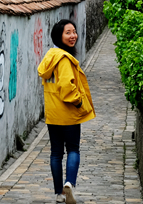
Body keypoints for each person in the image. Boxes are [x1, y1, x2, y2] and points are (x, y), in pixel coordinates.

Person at [37, 19, 95, 204]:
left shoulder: (50, 57)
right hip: (68, 113)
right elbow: (66, 86)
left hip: (53, 114)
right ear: (59, 36)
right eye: (68, 32)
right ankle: (68, 183)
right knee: (73, 150)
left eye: (74, 32)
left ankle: (58, 194)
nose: (73, 36)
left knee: (55, 153)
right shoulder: (63, 59)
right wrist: (78, 102)